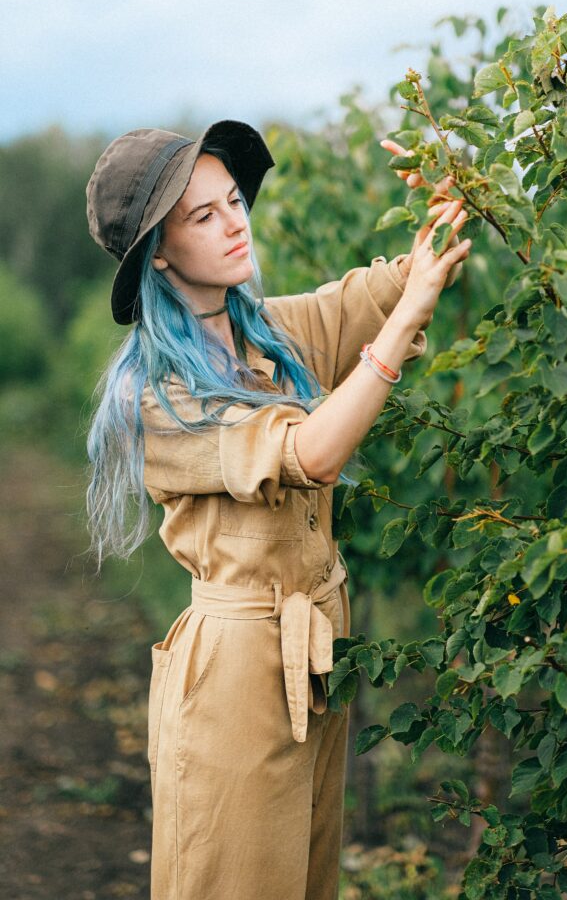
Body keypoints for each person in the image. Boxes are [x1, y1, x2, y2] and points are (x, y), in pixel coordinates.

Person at [84, 119, 472, 900]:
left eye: (234, 200)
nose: (235, 222)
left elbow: (400, 282)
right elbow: (313, 453)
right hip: (235, 674)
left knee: (303, 883)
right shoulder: (157, 395)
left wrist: (443, 196)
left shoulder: (272, 335)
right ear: (157, 252)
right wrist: (398, 328)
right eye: (203, 215)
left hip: (319, 654)